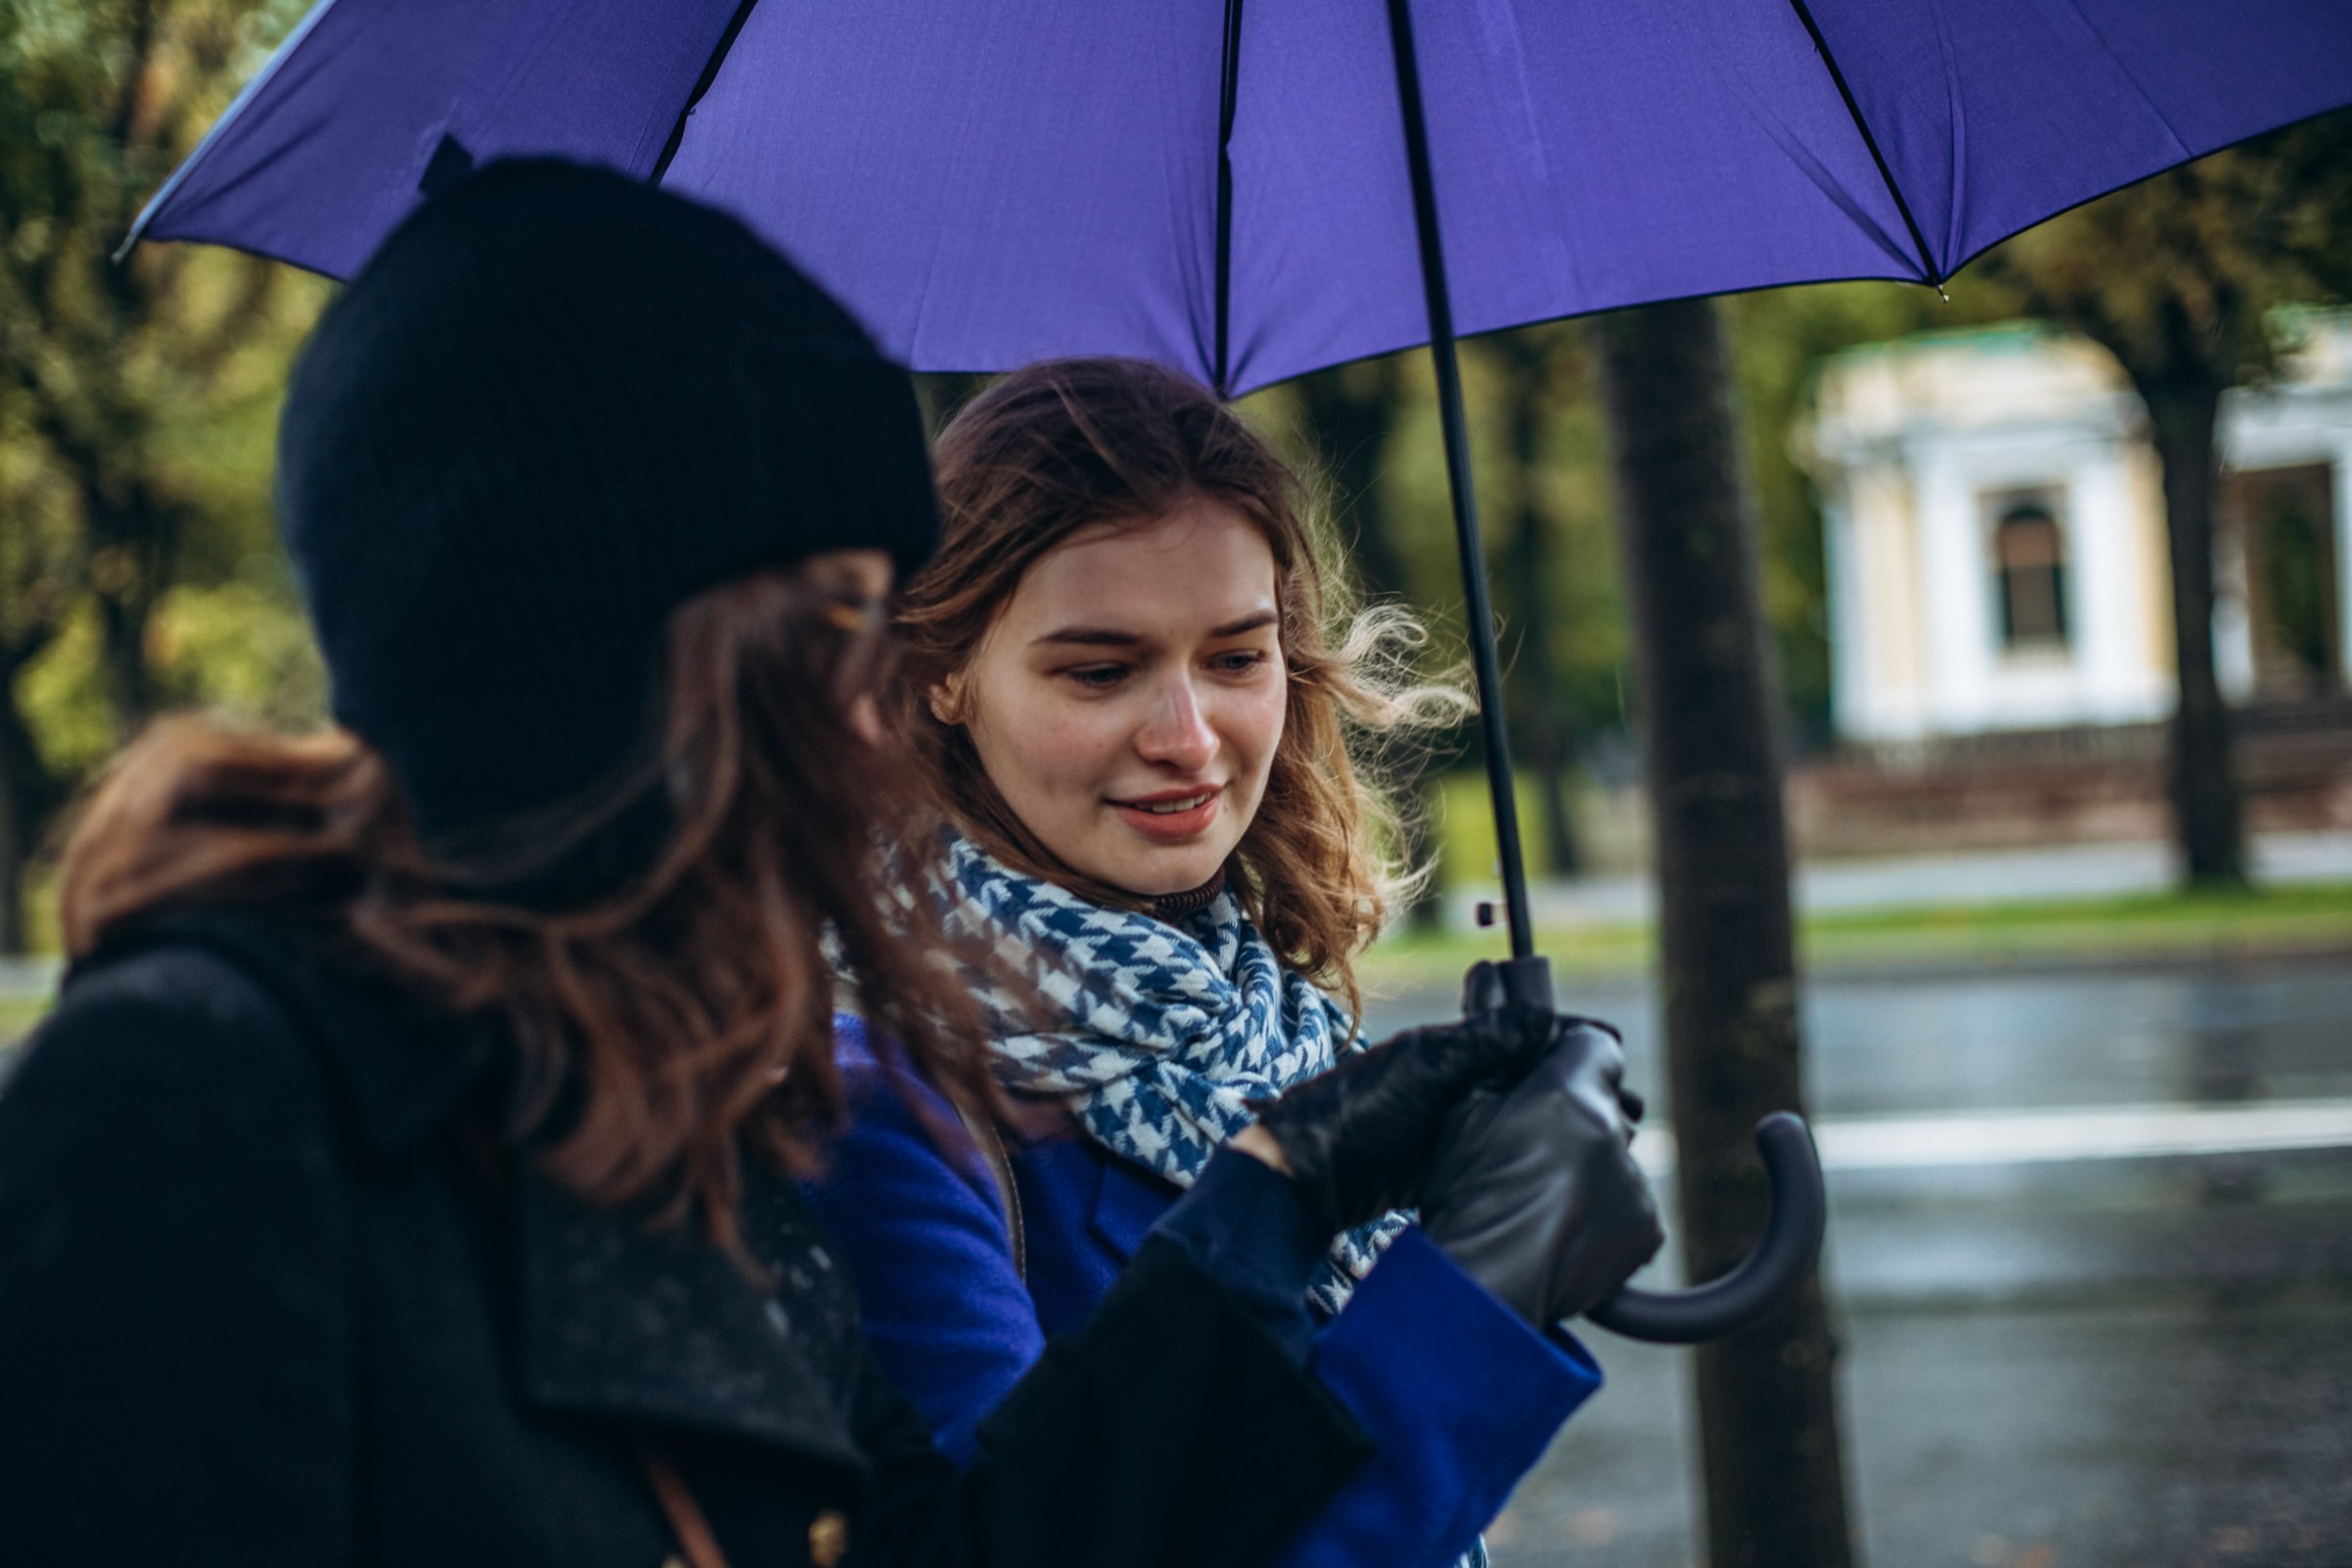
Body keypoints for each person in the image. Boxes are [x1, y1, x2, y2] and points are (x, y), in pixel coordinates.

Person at [0, 164, 1608, 1568]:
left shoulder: (668, 1099)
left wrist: (1281, 1191)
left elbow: (971, 1557)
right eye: (836, 625)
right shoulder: (203, 1093)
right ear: (607, 645)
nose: (877, 710)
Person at [803, 357, 1664, 1568]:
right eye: (1099, 670)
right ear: (942, 673)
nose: (1188, 738)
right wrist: (1468, 1305)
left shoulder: (1277, 1030)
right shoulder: (886, 1116)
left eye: (1236, 656)